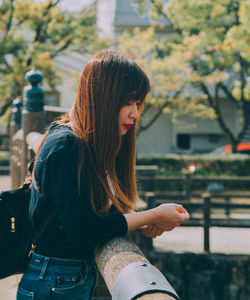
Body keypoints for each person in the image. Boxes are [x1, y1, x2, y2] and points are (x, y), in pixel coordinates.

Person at [16, 50, 189, 299]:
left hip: (61, 278)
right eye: (128, 103)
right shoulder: (67, 145)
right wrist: (152, 214)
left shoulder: (79, 142)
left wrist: (139, 219)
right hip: (54, 281)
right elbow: (81, 230)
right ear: (103, 98)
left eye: (138, 104)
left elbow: (83, 211)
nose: (135, 114)